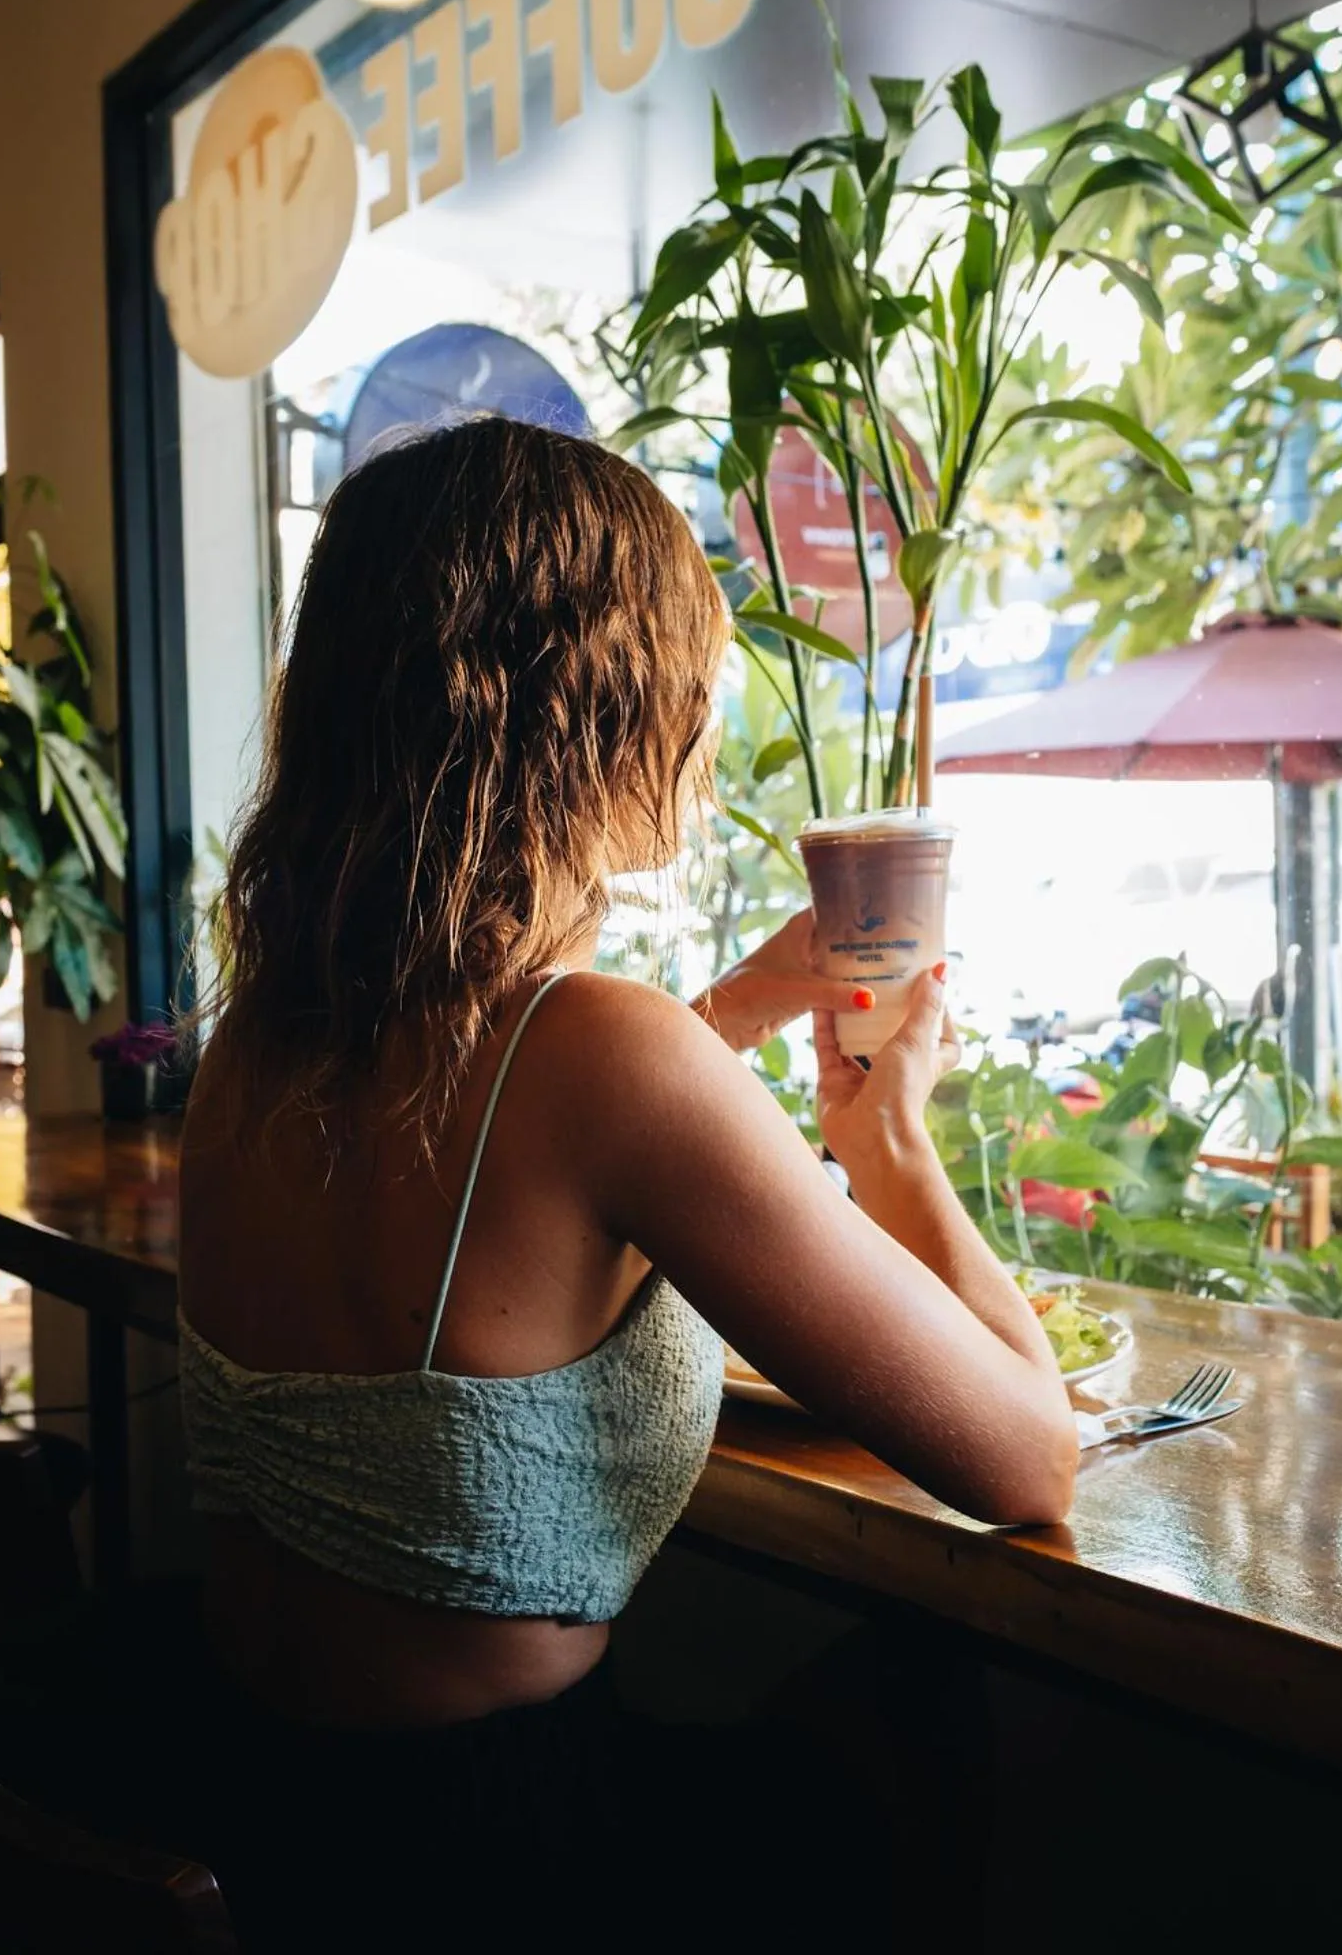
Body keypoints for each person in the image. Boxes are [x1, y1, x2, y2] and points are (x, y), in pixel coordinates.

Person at [172, 417, 1075, 1939]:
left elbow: (513, 1137)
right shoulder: (610, 1061)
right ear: (590, 699)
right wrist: (892, 1141)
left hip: (266, 1814)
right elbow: (1030, 1456)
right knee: (954, 1704)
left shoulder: (261, 1039)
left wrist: (735, 1014)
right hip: (505, 1872)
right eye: (689, 666)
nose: (708, 715)